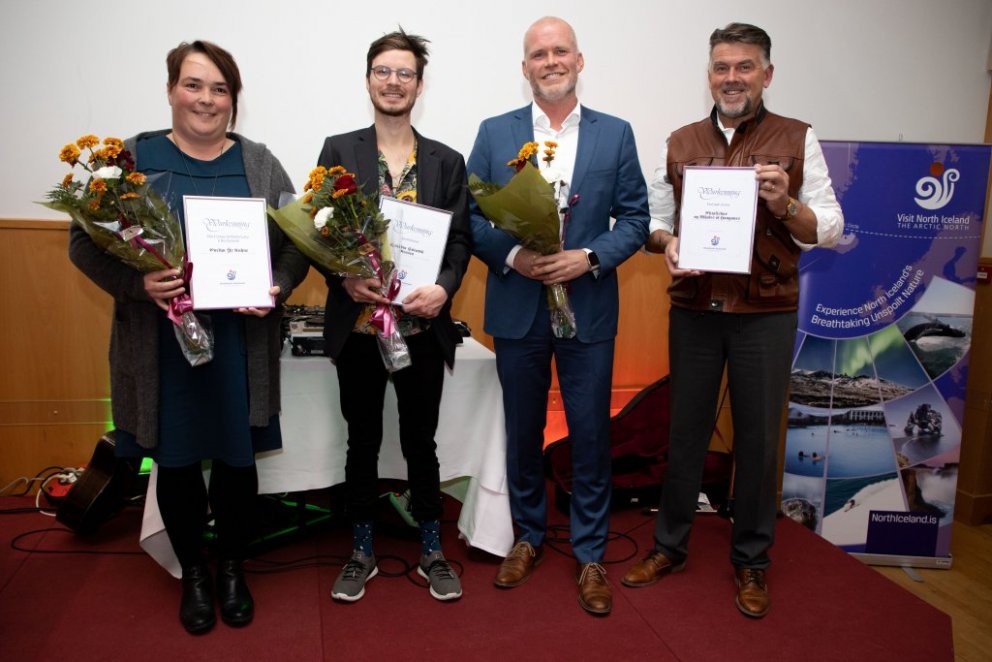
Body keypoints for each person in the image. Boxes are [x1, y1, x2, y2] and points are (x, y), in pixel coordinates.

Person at [69, 41, 309, 634]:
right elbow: (82, 245)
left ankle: (232, 569)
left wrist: (276, 287)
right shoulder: (130, 159)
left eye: (220, 89)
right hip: (161, 347)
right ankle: (194, 573)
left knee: (236, 463)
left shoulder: (261, 164)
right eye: (193, 85)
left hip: (239, 346)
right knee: (174, 464)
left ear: (234, 99)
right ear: (171, 89)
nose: (206, 99)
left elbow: (298, 245)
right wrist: (136, 284)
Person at [621, 23, 843, 619]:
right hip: (695, 308)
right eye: (721, 67)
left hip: (765, 312)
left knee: (758, 439)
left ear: (766, 74)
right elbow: (653, 221)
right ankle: (669, 547)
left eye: (744, 66)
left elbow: (829, 228)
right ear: (709, 75)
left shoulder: (797, 137)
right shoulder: (681, 141)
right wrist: (667, 243)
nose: (732, 77)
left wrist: (785, 203)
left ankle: (752, 561)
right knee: (684, 433)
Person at [468, 16, 649, 615]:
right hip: (518, 309)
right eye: (539, 54)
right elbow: (472, 217)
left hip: (588, 309)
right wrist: (515, 257)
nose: (550, 61)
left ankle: (591, 552)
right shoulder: (494, 133)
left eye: (560, 51)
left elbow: (636, 219)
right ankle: (527, 535)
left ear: (579, 60)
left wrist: (588, 257)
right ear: (524, 67)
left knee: (590, 434)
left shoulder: (615, 134)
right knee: (522, 431)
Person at [315, 29, 472, 603]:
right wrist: (343, 278)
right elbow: (319, 230)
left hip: (421, 328)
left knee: (420, 443)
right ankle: (361, 550)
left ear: (419, 86)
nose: (393, 81)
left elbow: (460, 242)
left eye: (405, 73)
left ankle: (432, 548)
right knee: (361, 442)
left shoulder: (446, 160)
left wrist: (444, 289)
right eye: (383, 70)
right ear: (368, 80)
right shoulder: (339, 150)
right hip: (360, 329)